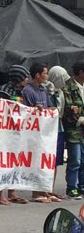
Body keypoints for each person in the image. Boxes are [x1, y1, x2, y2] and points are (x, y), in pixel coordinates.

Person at [0, 64, 31, 205]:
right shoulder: (4, 91)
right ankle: (0, 193)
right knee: (2, 163)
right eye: (25, 77)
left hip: (17, 132)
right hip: (4, 132)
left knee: (16, 161)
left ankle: (12, 191)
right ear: (18, 77)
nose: (27, 80)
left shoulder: (22, 91)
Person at [22, 63, 56, 204]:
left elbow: (48, 106)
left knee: (44, 160)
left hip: (44, 131)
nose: (46, 76)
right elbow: (26, 111)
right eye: (45, 73)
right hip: (33, 132)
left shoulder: (43, 89)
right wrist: (35, 109)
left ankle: (44, 190)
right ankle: (36, 192)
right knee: (35, 161)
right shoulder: (28, 91)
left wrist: (51, 109)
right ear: (37, 75)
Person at [47, 66, 70, 202]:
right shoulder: (46, 90)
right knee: (46, 159)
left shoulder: (60, 93)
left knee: (56, 160)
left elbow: (61, 111)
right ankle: (42, 189)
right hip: (48, 128)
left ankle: (51, 188)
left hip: (59, 127)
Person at [63, 61, 84, 200]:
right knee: (75, 160)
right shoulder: (69, 87)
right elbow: (70, 110)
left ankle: (81, 186)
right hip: (74, 130)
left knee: (83, 160)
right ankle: (72, 187)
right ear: (81, 72)